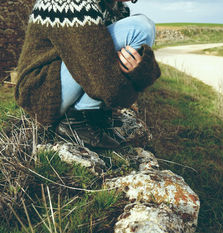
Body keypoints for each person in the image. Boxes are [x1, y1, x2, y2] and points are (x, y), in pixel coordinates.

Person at [15, 0, 161, 149]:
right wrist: (134, 86)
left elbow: (104, 69)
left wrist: (137, 69)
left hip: (69, 77)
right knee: (141, 27)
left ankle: (92, 116)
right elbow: (102, 80)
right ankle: (76, 120)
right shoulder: (72, 3)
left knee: (142, 27)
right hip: (41, 91)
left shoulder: (119, 8)